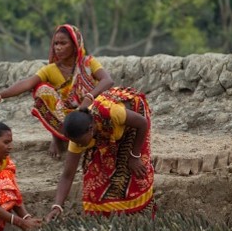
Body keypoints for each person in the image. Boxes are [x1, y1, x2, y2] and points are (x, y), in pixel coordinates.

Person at [0, 24, 114, 159]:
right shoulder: (51, 69)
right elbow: (27, 83)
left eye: (63, 43)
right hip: (69, 119)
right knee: (42, 90)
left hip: (90, 112)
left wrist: (88, 98)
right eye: (56, 43)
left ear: (75, 45)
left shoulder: (88, 63)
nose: (58, 47)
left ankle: (82, 135)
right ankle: (58, 136)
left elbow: (108, 80)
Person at [45, 87, 155, 221]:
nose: (78, 146)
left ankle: (139, 216)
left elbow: (142, 123)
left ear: (91, 130)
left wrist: (135, 156)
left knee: (134, 173)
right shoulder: (77, 138)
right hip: (106, 130)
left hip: (134, 119)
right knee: (96, 179)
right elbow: (68, 175)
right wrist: (57, 206)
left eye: (80, 142)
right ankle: (105, 218)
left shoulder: (112, 112)